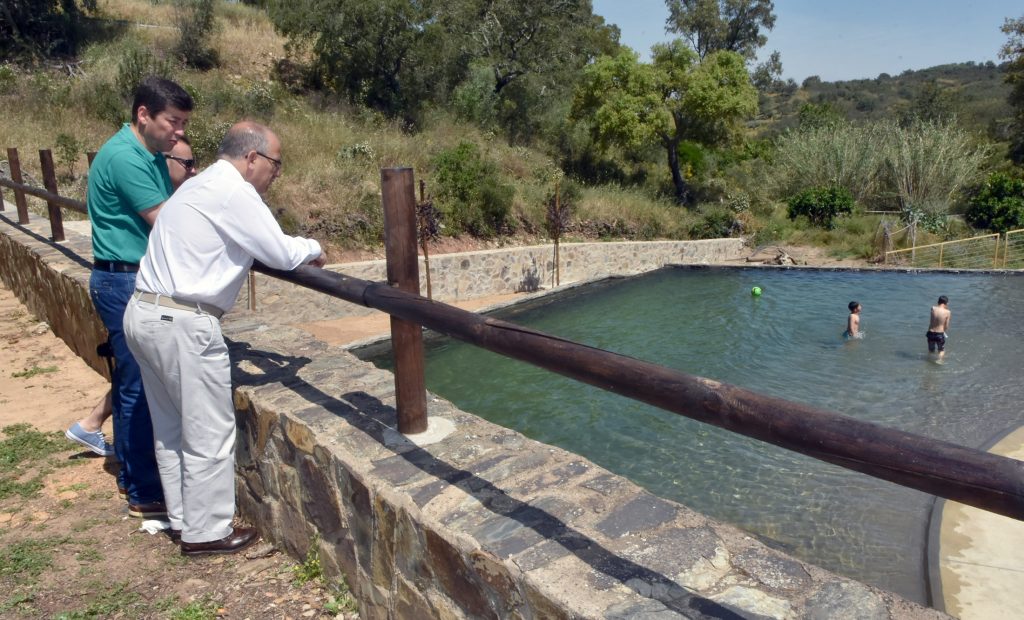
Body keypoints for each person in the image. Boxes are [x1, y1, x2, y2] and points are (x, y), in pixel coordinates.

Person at [124, 121, 324, 555]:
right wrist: (313, 247)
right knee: (207, 432)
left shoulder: (198, 185)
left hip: (145, 309)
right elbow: (281, 253)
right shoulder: (234, 191)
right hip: (183, 321)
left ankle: (182, 520)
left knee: (170, 428)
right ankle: (207, 533)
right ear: (251, 158)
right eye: (276, 163)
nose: (276, 173)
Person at [85, 76, 193, 519]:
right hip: (123, 281)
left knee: (139, 385)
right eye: (173, 122)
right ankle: (143, 491)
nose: (179, 133)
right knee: (136, 389)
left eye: (183, 124)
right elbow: (165, 219)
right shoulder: (127, 158)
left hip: (132, 278)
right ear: (144, 114)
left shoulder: (146, 153)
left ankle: (142, 481)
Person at [67, 138, 198, 462]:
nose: (193, 170)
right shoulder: (135, 172)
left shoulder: (136, 170)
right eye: (187, 163)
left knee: (134, 373)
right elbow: (176, 230)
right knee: (138, 382)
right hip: (126, 281)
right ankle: (139, 482)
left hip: (122, 280)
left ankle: (96, 428)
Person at [927, 295, 951, 360]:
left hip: (930, 333)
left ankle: (929, 360)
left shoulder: (933, 308)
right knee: (941, 350)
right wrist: (944, 332)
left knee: (931, 350)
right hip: (939, 334)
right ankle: (939, 361)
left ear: (938, 302)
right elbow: (946, 325)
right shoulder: (948, 312)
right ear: (945, 303)